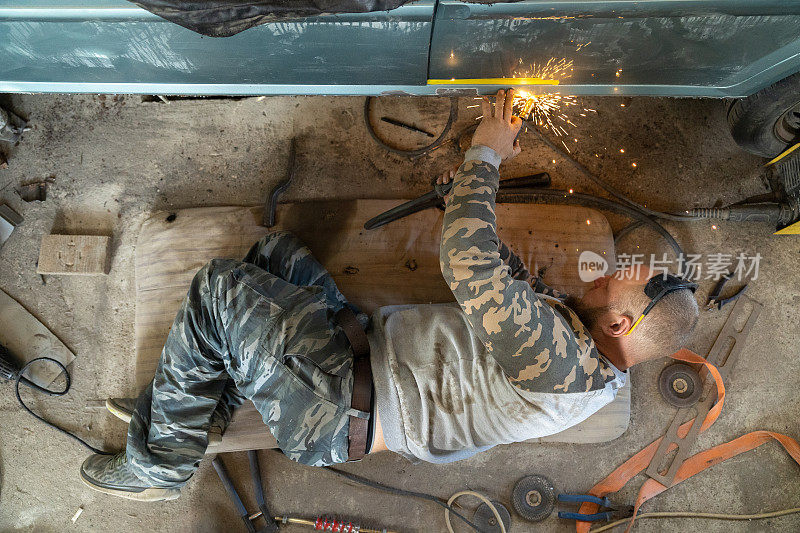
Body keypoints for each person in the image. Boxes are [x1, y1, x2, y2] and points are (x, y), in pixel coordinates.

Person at [80, 89, 699, 501]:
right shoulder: (587, 353)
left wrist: (484, 156)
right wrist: (464, 197)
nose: (600, 274)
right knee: (277, 256)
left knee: (219, 290)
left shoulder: (561, 359)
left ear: (621, 324)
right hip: (357, 358)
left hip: (334, 404)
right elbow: (512, 287)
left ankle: (159, 464)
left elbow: (466, 263)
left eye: (615, 280)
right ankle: (211, 401)